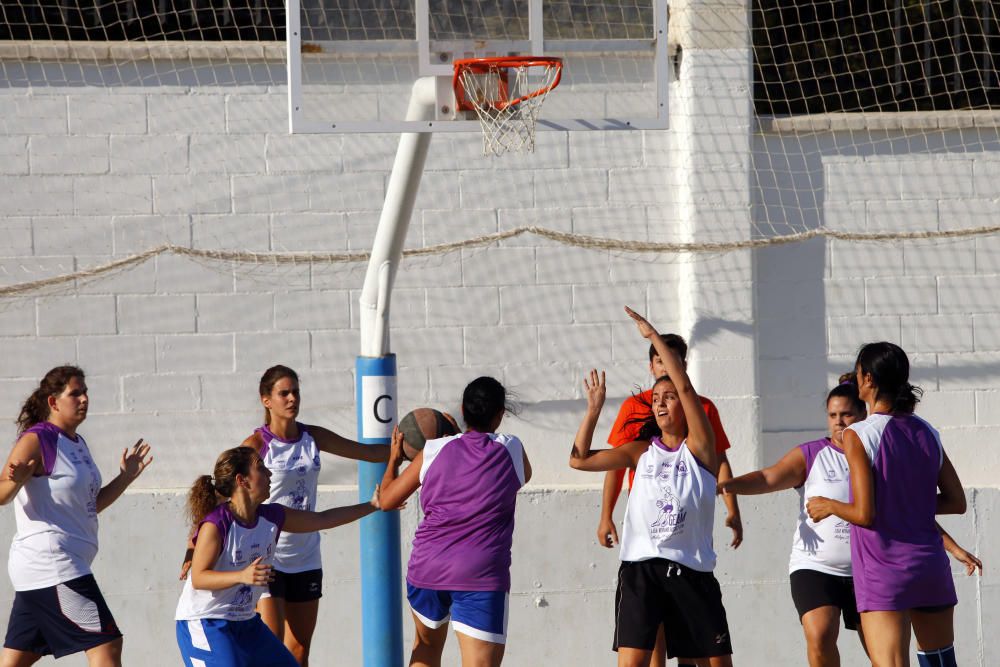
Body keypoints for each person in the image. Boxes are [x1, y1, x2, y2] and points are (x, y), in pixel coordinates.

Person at [719, 375, 981, 667]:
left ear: (863, 414)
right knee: (819, 634)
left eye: (846, 414)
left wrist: (953, 547)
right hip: (817, 566)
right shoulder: (812, 454)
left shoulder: (876, 448)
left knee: (883, 654)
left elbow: (907, 510)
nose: (839, 422)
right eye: (832, 415)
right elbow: (768, 477)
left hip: (869, 570)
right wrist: (728, 484)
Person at [179, 365, 389, 665]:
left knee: (299, 648)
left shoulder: (311, 440)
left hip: (305, 553)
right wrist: (193, 548)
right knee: (270, 640)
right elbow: (220, 497)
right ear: (266, 400)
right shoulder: (254, 449)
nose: (292, 399)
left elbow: (366, 457)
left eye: (296, 392)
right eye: (284, 393)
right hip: (266, 558)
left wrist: (408, 448)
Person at [569, 307, 733, 667]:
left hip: (691, 570)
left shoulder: (700, 448)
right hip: (642, 569)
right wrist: (593, 410)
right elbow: (579, 459)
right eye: (657, 399)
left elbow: (686, 387)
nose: (660, 403)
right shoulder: (640, 451)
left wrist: (653, 337)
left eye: (669, 397)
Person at [806, 342, 969, 667]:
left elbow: (865, 514)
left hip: (884, 570)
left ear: (867, 379)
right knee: (940, 663)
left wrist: (829, 504)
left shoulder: (859, 434)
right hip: (929, 566)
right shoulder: (927, 432)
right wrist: (906, 501)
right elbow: (957, 501)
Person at [0, 366, 152, 667]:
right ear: (53, 402)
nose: (84, 399)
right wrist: (17, 480)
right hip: (51, 562)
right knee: (106, 645)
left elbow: (89, 506)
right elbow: (2, 494)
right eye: (75, 393)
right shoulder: (37, 439)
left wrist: (125, 477)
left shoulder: (77, 443)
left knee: (16, 660)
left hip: (50, 567)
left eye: (85, 392)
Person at [175, 446, 382, 667]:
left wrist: (371, 506)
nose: (270, 473)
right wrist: (242, 576)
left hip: (245, 622)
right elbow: (199, 578)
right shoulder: (218, 524)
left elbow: (322, 519)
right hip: (206, 622)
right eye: (261, 468)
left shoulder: (272, 516)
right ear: (242, 480)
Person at [379, 377, 531, 667]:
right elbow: (525, 473)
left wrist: (394, 459)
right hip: (479, 575)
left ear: (463, 409)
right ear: (501, 414)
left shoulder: (433, 451)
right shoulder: (510, 449)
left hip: (427, 568)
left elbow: (387, 500)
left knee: (425, 650)